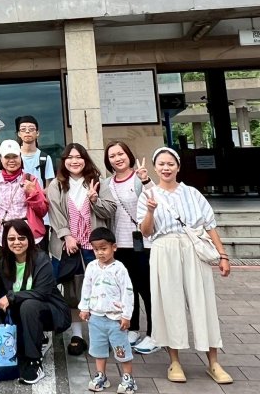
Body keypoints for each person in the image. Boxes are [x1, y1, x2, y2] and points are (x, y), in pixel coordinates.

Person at [137, 146, 233, 385]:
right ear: (154, 168)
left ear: (178, 166)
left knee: (203, 302)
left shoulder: (192, 193)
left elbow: (209, 225)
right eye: (161, 164)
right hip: (163, 248)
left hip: (192, 248)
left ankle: (213, 362)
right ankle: (175, 361)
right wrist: (150, 211)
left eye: (170, 164)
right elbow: (146, 232)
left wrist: (223, 255)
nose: (166, 168)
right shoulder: (148, 194)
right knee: (170, 304)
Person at [0, 219, 70, 385]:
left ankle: (35, 362)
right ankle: (37, 339)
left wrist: (11, 297)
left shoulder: (41, 259)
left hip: (51, 311)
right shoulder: (3, 262)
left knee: (29, 304)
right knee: (12, 309)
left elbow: (42, 293)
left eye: (21, 238)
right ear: (5, 241)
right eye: (11, 239)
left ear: (29, 238)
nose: (17, 242)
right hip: (23, 313)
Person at [104, 140, 157, 354]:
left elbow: (157, 201)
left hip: (144, 244)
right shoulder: (107, 183)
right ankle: (133, 328)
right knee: (129, 289)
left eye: (121, 154)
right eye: (112, 156)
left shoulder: (139, 178)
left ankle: (155, 334)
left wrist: (146, 180)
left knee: (148, 290)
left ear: (129, 155)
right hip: (121, 244)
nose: (117, 158)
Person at [79, 227, 138, 393]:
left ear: (114, 247)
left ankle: (128, 377)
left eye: (103, 248)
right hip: (96, 318)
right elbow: (86, 288)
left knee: (121, 348)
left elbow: (128, 293)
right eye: (96, 249)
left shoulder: (120, 269)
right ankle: (101, 375)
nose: (100, 253)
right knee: (98, 349)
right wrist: (84, 307)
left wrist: (126, 316)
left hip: (115, 319)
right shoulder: (91, 267)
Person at [47, 143, 116, 267]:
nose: (74, 161)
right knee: (71, 285)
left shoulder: (98, 182)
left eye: (79, 157)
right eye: (70, 157)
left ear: (85, 159)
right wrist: (67, 236)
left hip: (96, 246)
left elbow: (110, 210)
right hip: (67, 247)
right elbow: (55, 214)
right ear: (64, 161)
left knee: (97, 283)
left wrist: (96, 201)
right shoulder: (56, 185)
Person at [0, 140, 49, 247]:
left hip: (29, 237)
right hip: (3, 238)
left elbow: (43, 210)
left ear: (20, 157)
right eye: (7, 157)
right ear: (1, 159)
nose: (11, 160)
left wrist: (33, 194)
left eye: (15, 156)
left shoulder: (29, 179)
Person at [16, 115, 55, 189]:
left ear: (37, 133)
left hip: (39, 199)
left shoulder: (45, 158)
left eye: (31, 129)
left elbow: (49, 187)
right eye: (23, 129)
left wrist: (36, 193)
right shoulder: (15, 156)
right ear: (19, 134)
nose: (27, 131)